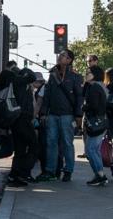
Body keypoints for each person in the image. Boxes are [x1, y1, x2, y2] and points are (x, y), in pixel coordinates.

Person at [37, 49, 83, 182]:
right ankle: (50, 171)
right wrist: (44, 113)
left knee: (67, 143)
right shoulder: (52, 75)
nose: (60, 57)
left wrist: (78, 115)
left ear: (69, 60)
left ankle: (68, 170)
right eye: (60, 55)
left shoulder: (75, 76)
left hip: (67, 115)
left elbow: (79, 97)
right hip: (52, 115)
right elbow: (47, 96)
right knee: (51, 143)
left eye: (63, 56)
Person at [8, 62, 38, 186]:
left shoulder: (17, 84)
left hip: (17, 120)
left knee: (20, 149)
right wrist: (24, 70)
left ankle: (14, 175)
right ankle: (23, 173)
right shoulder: (19, 82)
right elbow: (32, 76)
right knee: (34, 146)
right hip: (23, 119)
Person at [82, 65, 108, 186]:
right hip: (100, 123)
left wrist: (84, 107)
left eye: (89, 72)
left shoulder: (95, 88)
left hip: (96, 123)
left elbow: (95, 106)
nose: (86, 74)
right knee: (94, 150)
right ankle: (99, 175)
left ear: (95, 74)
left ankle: (100, 175)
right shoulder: (95, 86)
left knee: (90, 150)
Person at [77, 54, 99, 158]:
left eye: (90, 61)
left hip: (96, 109)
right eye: (87, 61)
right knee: (84, 130)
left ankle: (94, 152)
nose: (88, 63)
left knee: (96, 131)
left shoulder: (98, 72)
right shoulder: (87, 73)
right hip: (87, 107)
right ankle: (87, 151)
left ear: (96, 61)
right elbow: (83, 91)